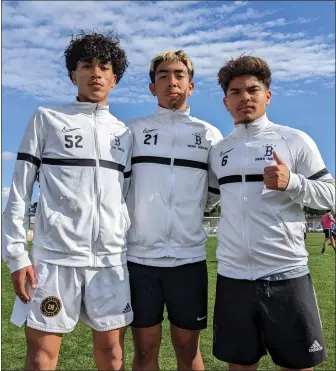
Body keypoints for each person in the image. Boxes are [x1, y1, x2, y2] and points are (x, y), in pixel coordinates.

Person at [2, 31, 133, 371]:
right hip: (54, 258)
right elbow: (20, 188)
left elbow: (129, 198)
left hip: (110, 261)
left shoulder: (124, 133)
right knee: (42, 357)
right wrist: (16, 254)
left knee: (113, 356)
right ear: (73, 74)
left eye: (104, 66)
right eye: (86, 65)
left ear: (114, 78)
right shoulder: (47, 118)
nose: (96, 73)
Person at [209, 56, 335, 371]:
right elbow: (204, 201)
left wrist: (291, 182)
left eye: (253, 89)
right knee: (239, 366)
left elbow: (330, 194)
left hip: (286, 276)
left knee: (298, 366)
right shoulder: (219, 151)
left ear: (268, 95)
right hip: (233, 278)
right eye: (235, 92)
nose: (245, 97)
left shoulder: (293, 139)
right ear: (226, 101)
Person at [125, 50, 223, 371]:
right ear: (152, 87)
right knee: (144, 350)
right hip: (140, 260)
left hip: (189, 260)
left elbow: (212, 194)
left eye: (179, 74)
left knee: (188, 351)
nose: (172, 81)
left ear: (191, 85)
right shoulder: (132, 131)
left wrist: (186, 216)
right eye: (163, 75)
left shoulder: (209, 135)